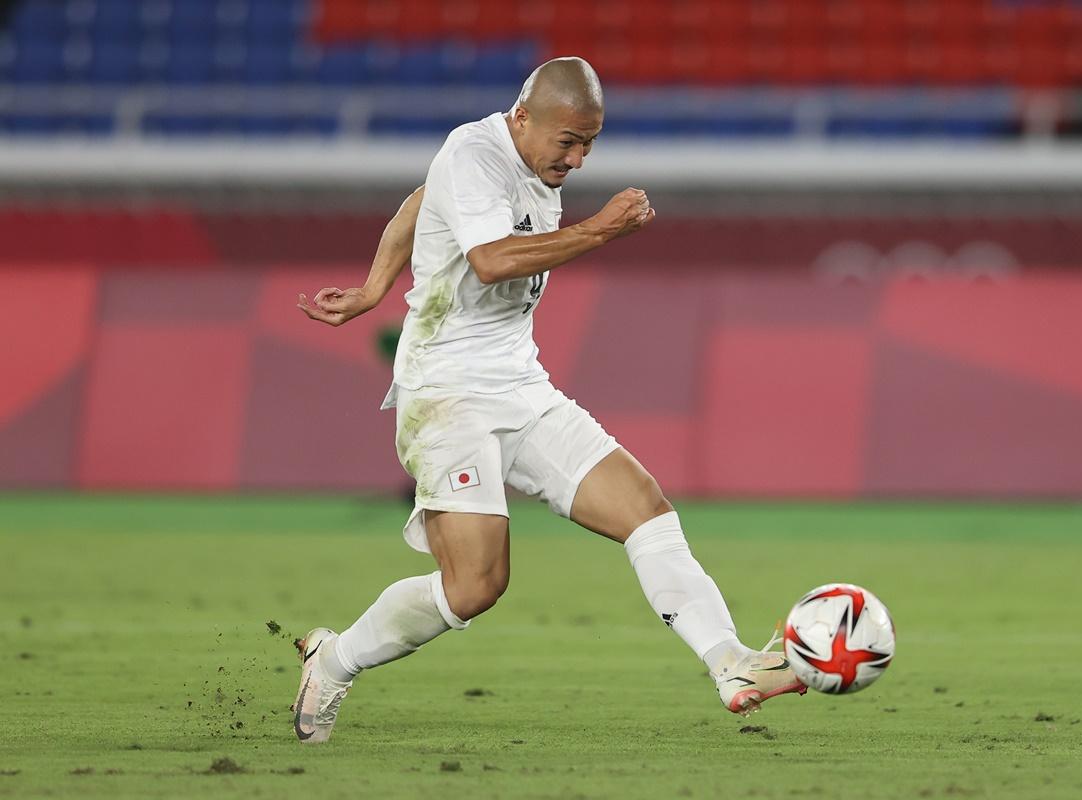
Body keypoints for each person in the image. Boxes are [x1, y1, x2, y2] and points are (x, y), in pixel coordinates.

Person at [293, 57, 804, 744]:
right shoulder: (474, 150)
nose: (580, 157)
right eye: (569, 140)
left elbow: (424, 199)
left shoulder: (525, 167)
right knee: (475, 585)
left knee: (645, 509)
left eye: (590, 142)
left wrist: (374, 285)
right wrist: (601, 229)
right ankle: (336, 659)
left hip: (520, 384)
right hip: (446, 393)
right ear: (523, 116)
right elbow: (491, 260)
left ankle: (732, 664)